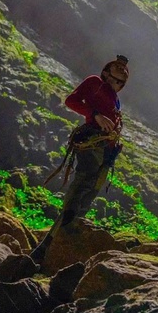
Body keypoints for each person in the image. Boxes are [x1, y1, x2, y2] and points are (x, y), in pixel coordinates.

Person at [31, 55, 129, 261]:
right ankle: (47, 247)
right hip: (92, 141)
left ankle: (63, 245)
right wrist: (95, 116)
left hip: (106, 150)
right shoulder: (95, 82)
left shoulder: (115, 98)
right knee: (80, 189)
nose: (122, 67)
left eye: (124, 70)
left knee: (88, 195)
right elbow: (71, 100)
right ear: (106, 72)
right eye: (117, 66)